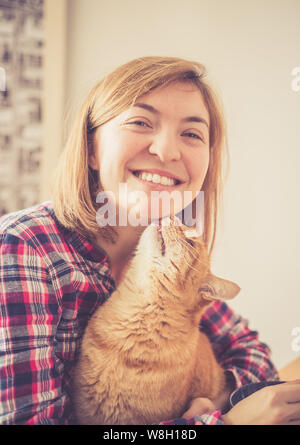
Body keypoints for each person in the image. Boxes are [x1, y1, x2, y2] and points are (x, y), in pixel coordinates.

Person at [0, 56, 299, 425]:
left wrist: (218, 397)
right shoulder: (25, 248)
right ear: (91, 149)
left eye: (191, 134)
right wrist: (226, 422)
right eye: (141, 122)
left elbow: (253, 352)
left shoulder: (162, 249)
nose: (168, 151)